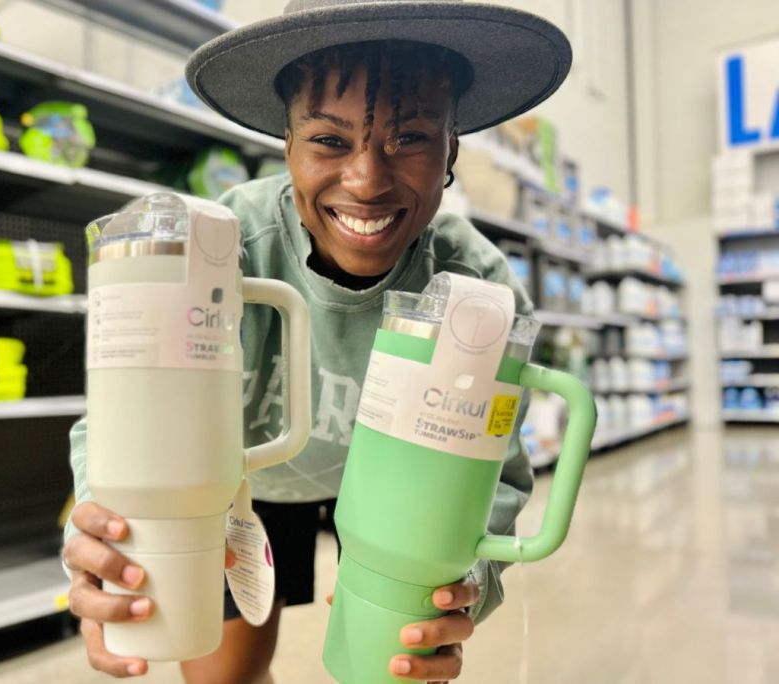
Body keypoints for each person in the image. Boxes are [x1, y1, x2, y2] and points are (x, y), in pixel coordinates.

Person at [62, 1, 571, 682]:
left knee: (389, 664)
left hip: (405, 490)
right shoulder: (217, 246)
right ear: (288, 145)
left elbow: (494, 478)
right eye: (330, 141)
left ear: (452, 149)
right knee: (223, 677)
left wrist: (469, 578)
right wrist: (101, 528)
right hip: (243, 486)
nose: (366, 180)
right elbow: (122, 416)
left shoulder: (476, 288)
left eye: (412, 138)